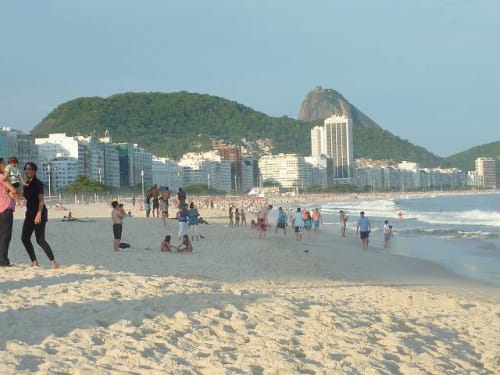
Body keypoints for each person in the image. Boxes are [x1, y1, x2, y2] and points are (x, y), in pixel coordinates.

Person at [21, 162, 59, 268]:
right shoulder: (26, 184)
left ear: (34, 171)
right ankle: (34, 261)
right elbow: (26, 198)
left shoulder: (38, 183)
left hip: (39, 213)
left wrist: (38, 214)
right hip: (29, 214)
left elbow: (41, 200)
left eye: (30, 169)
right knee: (24, 238)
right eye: (26, 169)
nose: (27, 171)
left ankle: (53, 262)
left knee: (40, 240)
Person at [0, 158, 18, 267]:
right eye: (3, 164)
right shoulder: (2, 177)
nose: (4, 166)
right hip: (5, 209)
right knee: (5, 236)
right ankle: (3, 260)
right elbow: (14, 190)